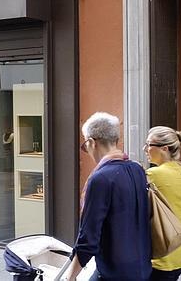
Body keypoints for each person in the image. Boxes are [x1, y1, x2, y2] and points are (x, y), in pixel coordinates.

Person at [63, 112, 152, 281]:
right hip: (142, 267)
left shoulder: (101, 179)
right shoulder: (137, 169)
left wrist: (70, 277)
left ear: (91, 142)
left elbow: (88, 237)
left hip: (114, 271)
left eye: (85, 146)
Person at [144, 126, 181, 281]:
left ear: (164, 148)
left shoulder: (153, 174)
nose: (145, 149)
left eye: (149, 144)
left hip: (163, 251)